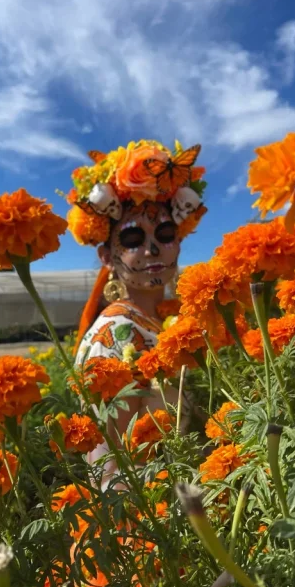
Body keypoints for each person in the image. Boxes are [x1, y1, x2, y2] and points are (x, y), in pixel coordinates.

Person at [66, 139, 207, 490]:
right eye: (132, 239)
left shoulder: (172, 321)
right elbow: (111, 469)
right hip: (152, 522)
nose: (153, 248)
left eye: (165, 233)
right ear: (106, 256)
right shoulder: (113, 336)